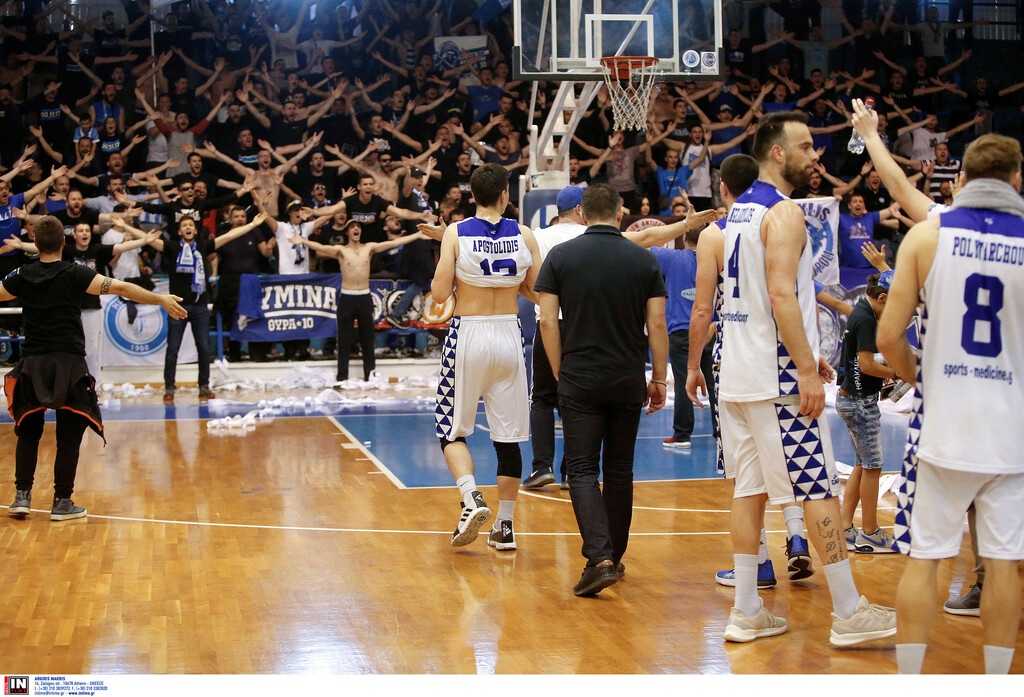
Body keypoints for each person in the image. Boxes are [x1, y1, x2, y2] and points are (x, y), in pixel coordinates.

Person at [712, 111, 896, 644]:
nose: (816, 155)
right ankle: (848, 610)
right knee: (817, 488)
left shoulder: (741, 212)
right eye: (806, 146)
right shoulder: (784, 212)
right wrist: (804, 369)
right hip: (777, 381)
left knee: (748, 493)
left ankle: (747, 610)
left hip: (741, 377)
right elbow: (779, 293)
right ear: (776, 152)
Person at [878, 133, 1024, 674]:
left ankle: (911, 681)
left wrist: (921, 379)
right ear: (1015, 180)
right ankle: (996, 682)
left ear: (958, 178)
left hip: (943, 426)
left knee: (925, 559)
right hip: (1010, 431)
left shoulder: (926, 236)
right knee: (1005, 564)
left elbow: (890, 337)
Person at [849, 96, 984, 616]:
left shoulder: (943, 226)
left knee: (929, 536)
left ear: (958, 184)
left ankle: (916, 658)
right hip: (1006, 397)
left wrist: (872, 133)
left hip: (950, 399)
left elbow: (902, 188)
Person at [685, 154, 815, 590]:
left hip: (735, 360)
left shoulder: (716, 235)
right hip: (779, 352)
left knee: (746, 469)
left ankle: (758, 565)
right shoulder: (777, 217)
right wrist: (808, 358)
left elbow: (703, 309)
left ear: (723, 189)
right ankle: (797, 538)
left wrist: (691, 365)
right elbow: (786, 296)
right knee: (793, 456)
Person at [4, 215, 187, 522]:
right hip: (69, 363)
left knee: (28, 432)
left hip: (33, 362)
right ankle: (62, 501)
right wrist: (160, 298)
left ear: (35, 244)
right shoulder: (76, 273)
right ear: (65, 242)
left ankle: (22, 496)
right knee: (69, 435)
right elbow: (122, 288)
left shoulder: (22, 274)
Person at [535, 184, 669, 597]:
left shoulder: (561, 256)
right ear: (619, 211)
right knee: (620, 470)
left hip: (580, 376)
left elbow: (546, 321)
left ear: (582, 213)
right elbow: (658, 325)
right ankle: (615, 554)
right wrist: (659, 378)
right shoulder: (644, 259)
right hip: (628, 377)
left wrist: (559, 371)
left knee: (580, 468)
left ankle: (601, 556)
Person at [425, 163, 541, 553]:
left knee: (450, 429)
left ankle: (471, 497)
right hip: (510, 334)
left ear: (472, 196)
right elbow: (536, 291)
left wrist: (448, 252)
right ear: (506, 195)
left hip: (469, 334)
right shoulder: (524, 234)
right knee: (507, 438)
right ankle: (505, 526)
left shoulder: (456, 233)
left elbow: (439, 295)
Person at [116, 213, 269, 404]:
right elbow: (148, 239)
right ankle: (169, 387)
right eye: (185, 225)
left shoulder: (203, 246)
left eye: (191, 225)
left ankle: (203, 387)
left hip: (199, 307)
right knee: (173, 349)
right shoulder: (172, 247)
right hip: (177, 306)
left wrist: (253, 224)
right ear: (180, 231)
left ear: (195, 230)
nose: (188, 228)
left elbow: (228, 236)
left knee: (204, 349)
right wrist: (125, 225)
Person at [290, 221, 426, 382]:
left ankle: (370, 375)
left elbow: (393, 242)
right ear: (347, 232)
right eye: (352, 227)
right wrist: (303, 241)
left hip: (364, 296)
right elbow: (322, 248)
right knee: (344, 340)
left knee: (368, 339)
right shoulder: (341, 250)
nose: (356, 229)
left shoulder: (368, 248)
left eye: (358, 227)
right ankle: (342, 377)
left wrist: (417, 235)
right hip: (347, 297)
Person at [521, 186, 589, 490]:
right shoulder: (591, 237)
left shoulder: (538, 236)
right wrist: (684, 226)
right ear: (578, 210)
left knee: (543, 398)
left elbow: (524, 279)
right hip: (583, 325)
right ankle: (570, 472)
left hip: (550, 323)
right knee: (577, 400)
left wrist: (540, 301)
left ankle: (542, 466)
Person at [837, 270, 901, 554]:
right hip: (860, 403)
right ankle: (870, 532)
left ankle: (844, 526)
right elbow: (866, 365)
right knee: (874, 465)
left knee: (862, 464)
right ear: (883, 298)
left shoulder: (863, 311)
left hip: (852, 399)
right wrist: (897, 373)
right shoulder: (865, 320)